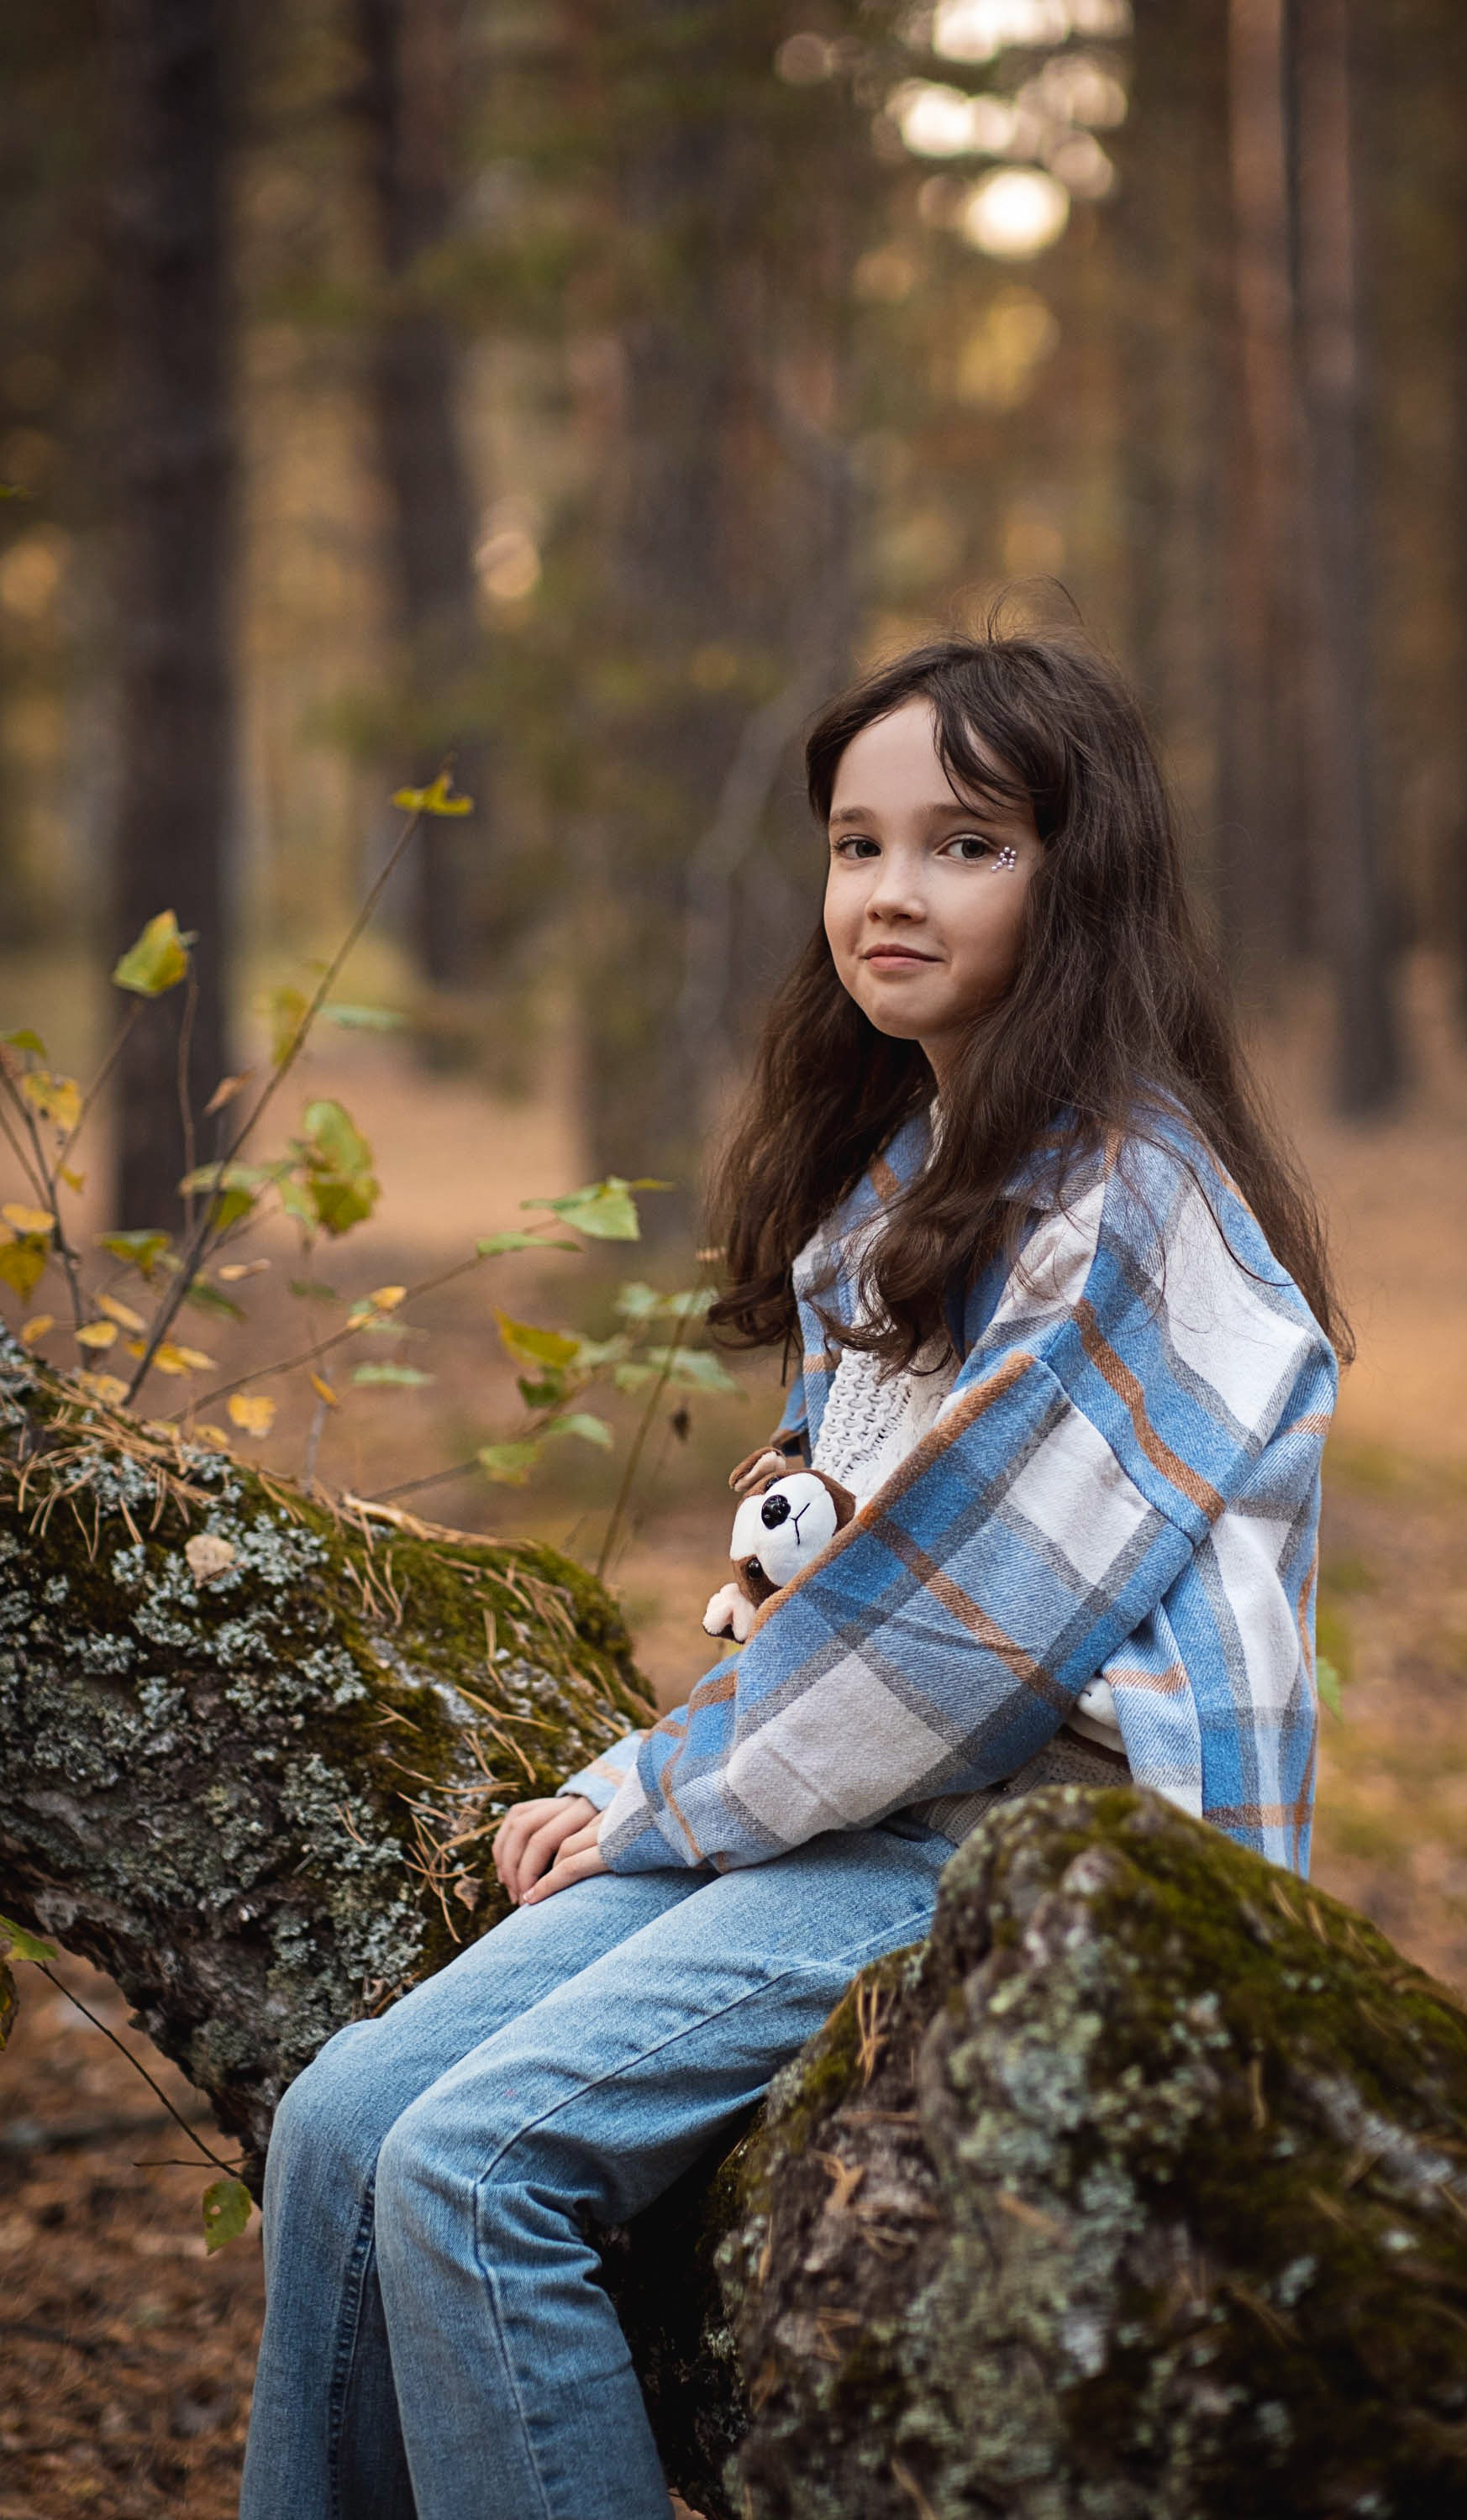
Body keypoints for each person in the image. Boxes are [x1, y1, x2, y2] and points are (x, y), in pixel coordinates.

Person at [240, 628, 1346, 2520]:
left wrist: (654, 1797)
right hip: (875, 1806)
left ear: (1081, 885)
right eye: (857, 844)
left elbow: (948, 1643)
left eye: (966, 845)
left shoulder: (1134, 1214)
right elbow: (825, 1594)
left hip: (1039, 1854)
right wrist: (630, 1783)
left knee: (473, 2180)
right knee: (343, 2121)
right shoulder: (901, 1187)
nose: (891, 891)